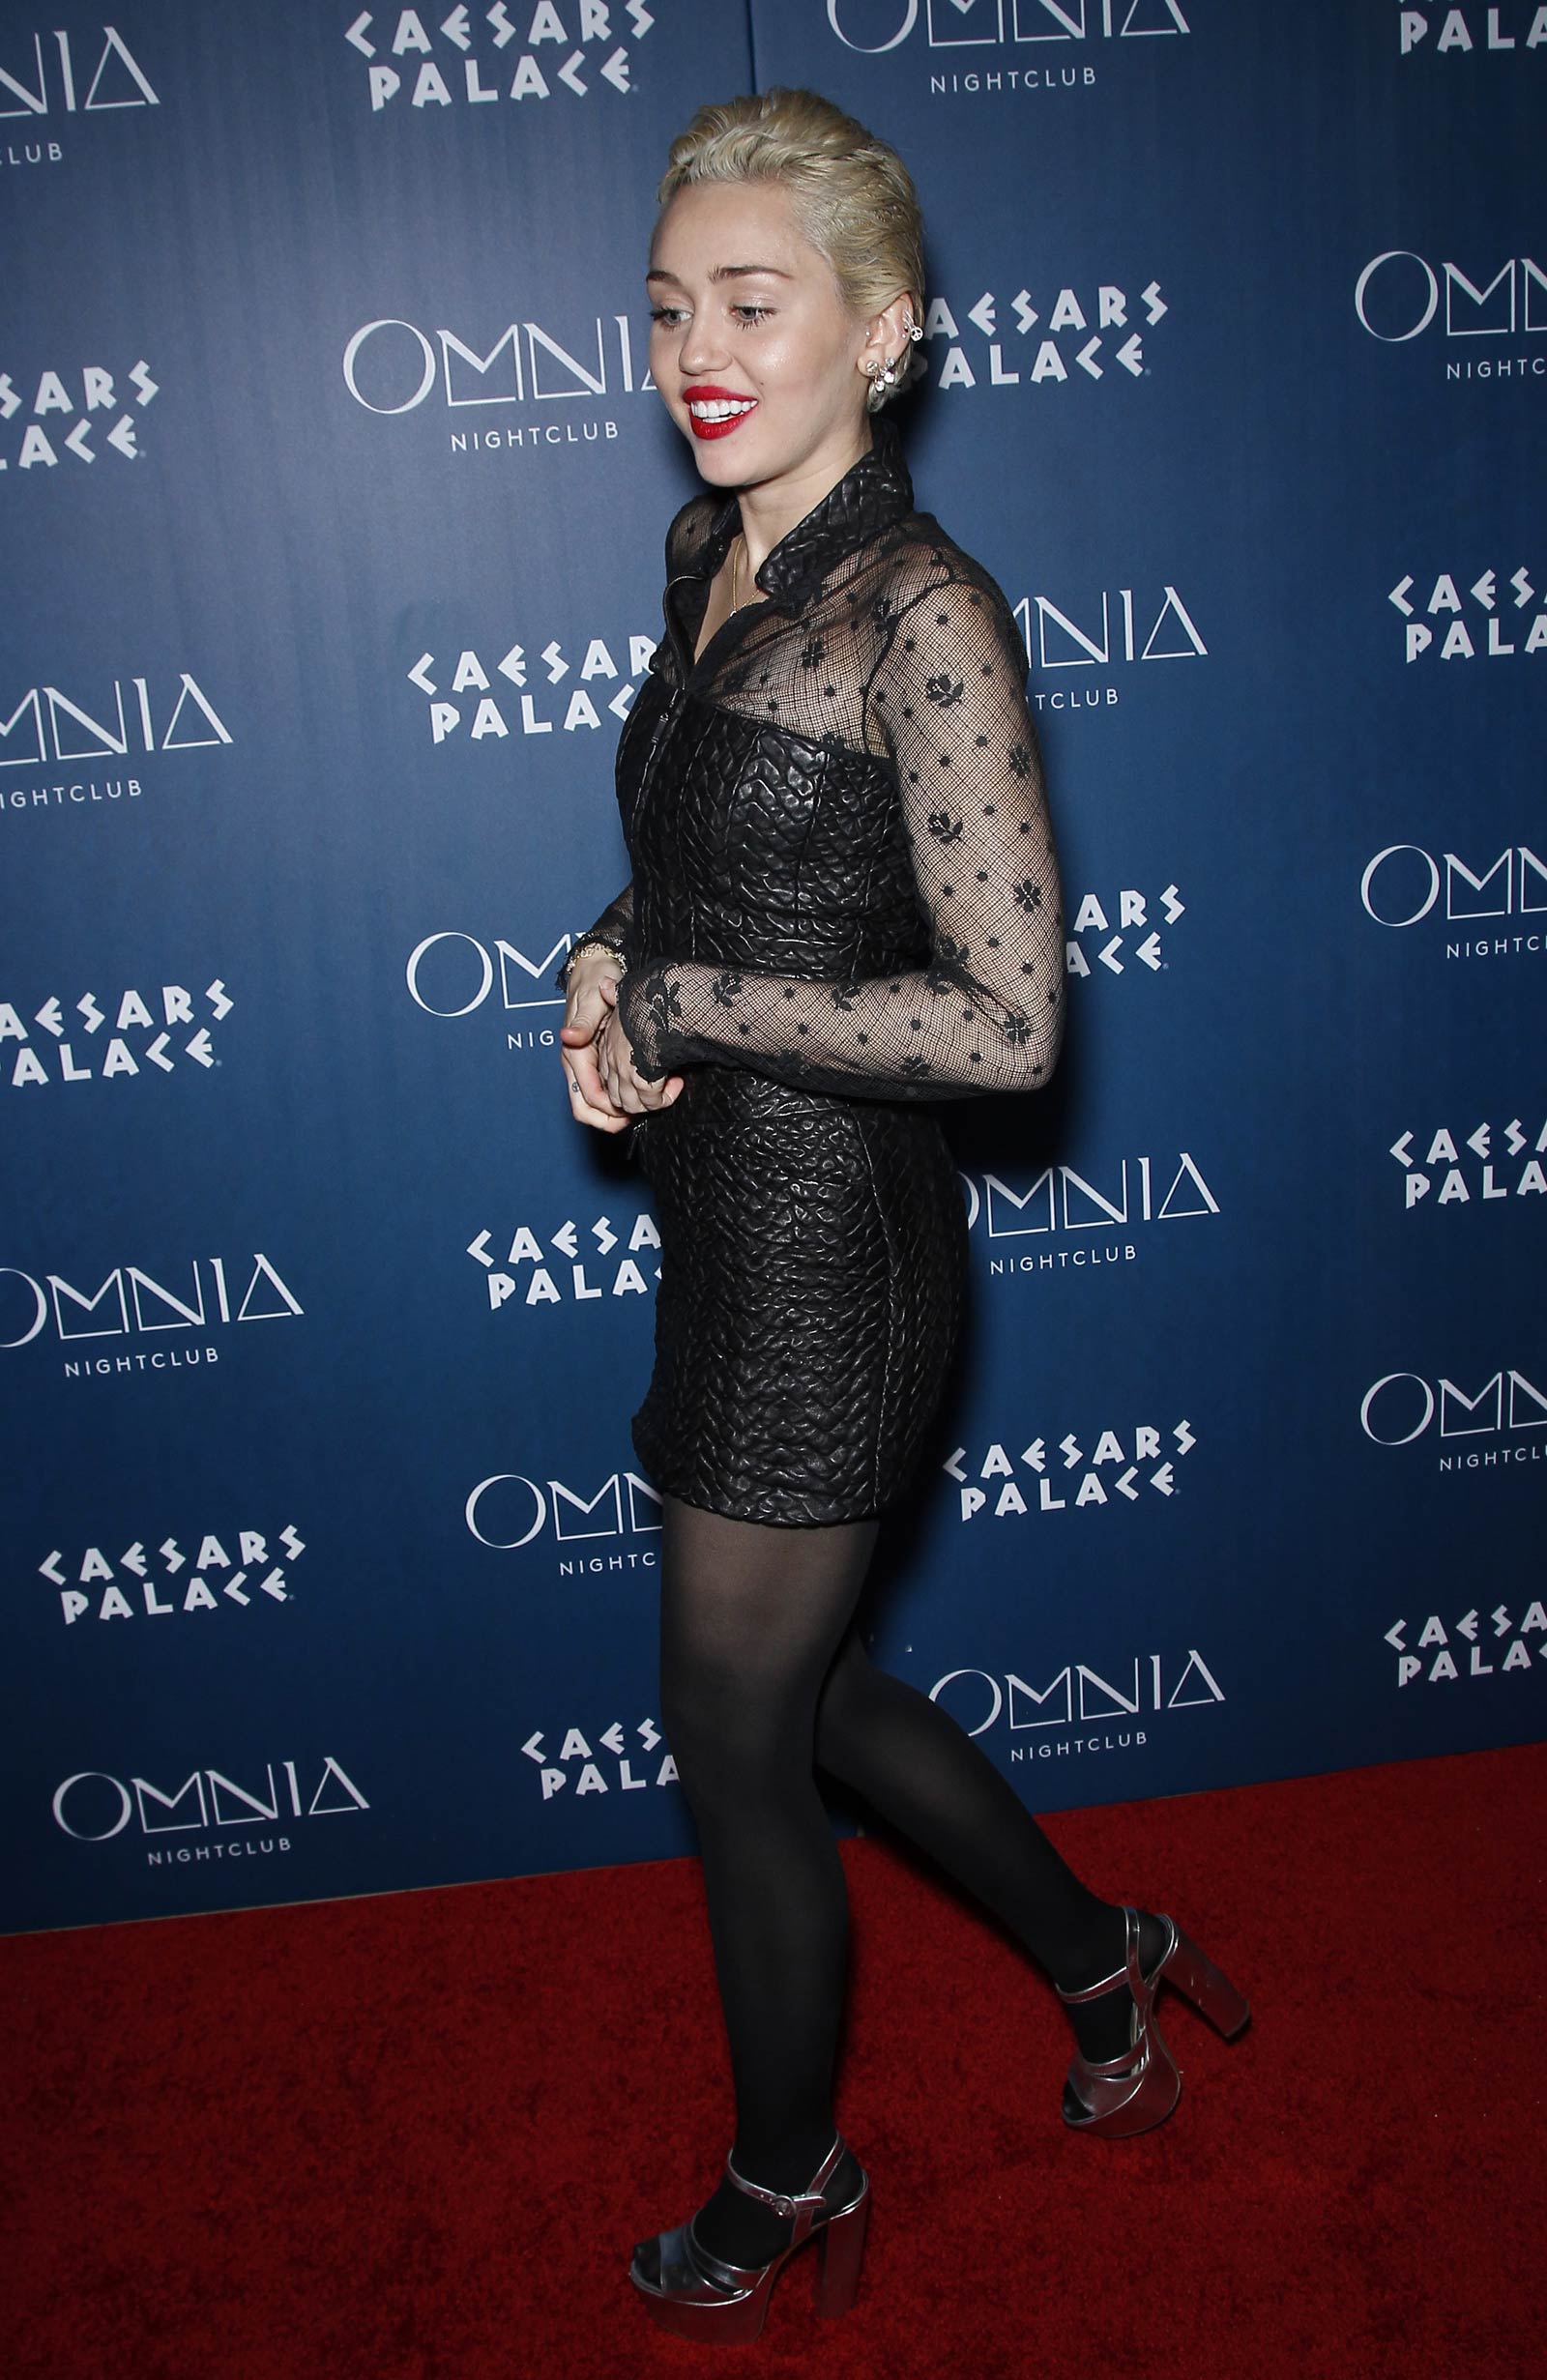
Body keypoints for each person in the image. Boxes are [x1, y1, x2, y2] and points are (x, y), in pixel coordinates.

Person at [556, 86, 1249, 2346]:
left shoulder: (921, 616)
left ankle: (789, 2171)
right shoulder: (710, 552)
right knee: (817, 1696)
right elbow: (689, 865)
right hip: (717, 1215)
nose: (697, 352)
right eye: (668, 306)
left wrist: (682, 997)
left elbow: (1008, 1022)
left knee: (732, 1731)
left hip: (829, 1260)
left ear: (885, 328)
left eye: (751, 303)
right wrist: (604, 957)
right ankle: (1101, 1955)